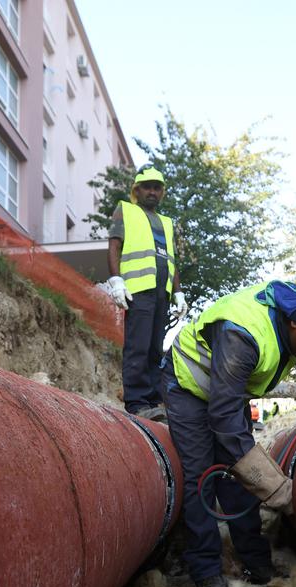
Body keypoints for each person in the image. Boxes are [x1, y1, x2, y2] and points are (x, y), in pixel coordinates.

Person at [164, 280, 296, 587]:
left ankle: (256, 563)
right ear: (295, 322)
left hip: (229, 390)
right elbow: (226, 422)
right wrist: (277, 489)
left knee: (237, 480)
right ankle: (206, 573)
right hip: (189, 386)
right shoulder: (243, 333)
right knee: (202, 476)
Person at [99, 166, 186, 420]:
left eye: (157, 187)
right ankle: (137, 402)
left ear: (162, 192)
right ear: (136, 190)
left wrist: (178, 293)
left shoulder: (167, 223)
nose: (152, 191)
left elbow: (171, 260)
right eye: (147, 187)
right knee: (138, 346)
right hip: (138, 290)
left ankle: (153, 400)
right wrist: (116, 280)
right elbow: (114, 245)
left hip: (161, 294)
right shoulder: (125, 210)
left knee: (156, 349)